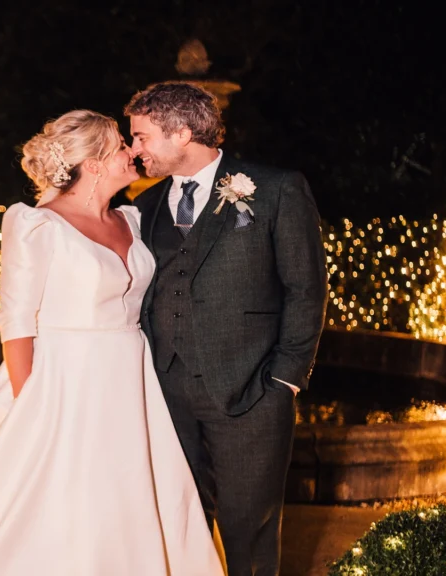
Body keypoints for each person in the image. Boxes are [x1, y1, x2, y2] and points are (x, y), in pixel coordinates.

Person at [0, 109, 223, 575]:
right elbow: (16, 320)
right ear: (98, 162)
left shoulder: (132, 218)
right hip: (64, 379)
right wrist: (30, 401)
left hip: (132, 379)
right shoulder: (34, 224)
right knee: (62, 495)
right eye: (123, 145)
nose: (134, 151)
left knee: (132, 489)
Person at [127, 81, 328, 576]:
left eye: (141, 136)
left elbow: (306, 287)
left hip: (252, 390)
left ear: (180, 132)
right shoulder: (145, 206)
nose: (134, 149)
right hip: (165, 392)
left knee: (249, 528)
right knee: (179, 521)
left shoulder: (277, 187)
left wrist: (284, 377)